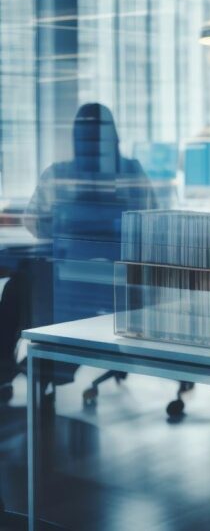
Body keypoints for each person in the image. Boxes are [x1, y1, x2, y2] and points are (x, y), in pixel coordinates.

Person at [2, 104, 156, 382]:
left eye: (96, 138)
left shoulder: (129, 172)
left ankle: (54, 359)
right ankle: (21, 363)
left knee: (33, 287)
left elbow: (151, 226)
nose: (92, 146)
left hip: (113, 277)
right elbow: (34, 220)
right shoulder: (60, 174)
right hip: (75, 272)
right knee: (19, 287)